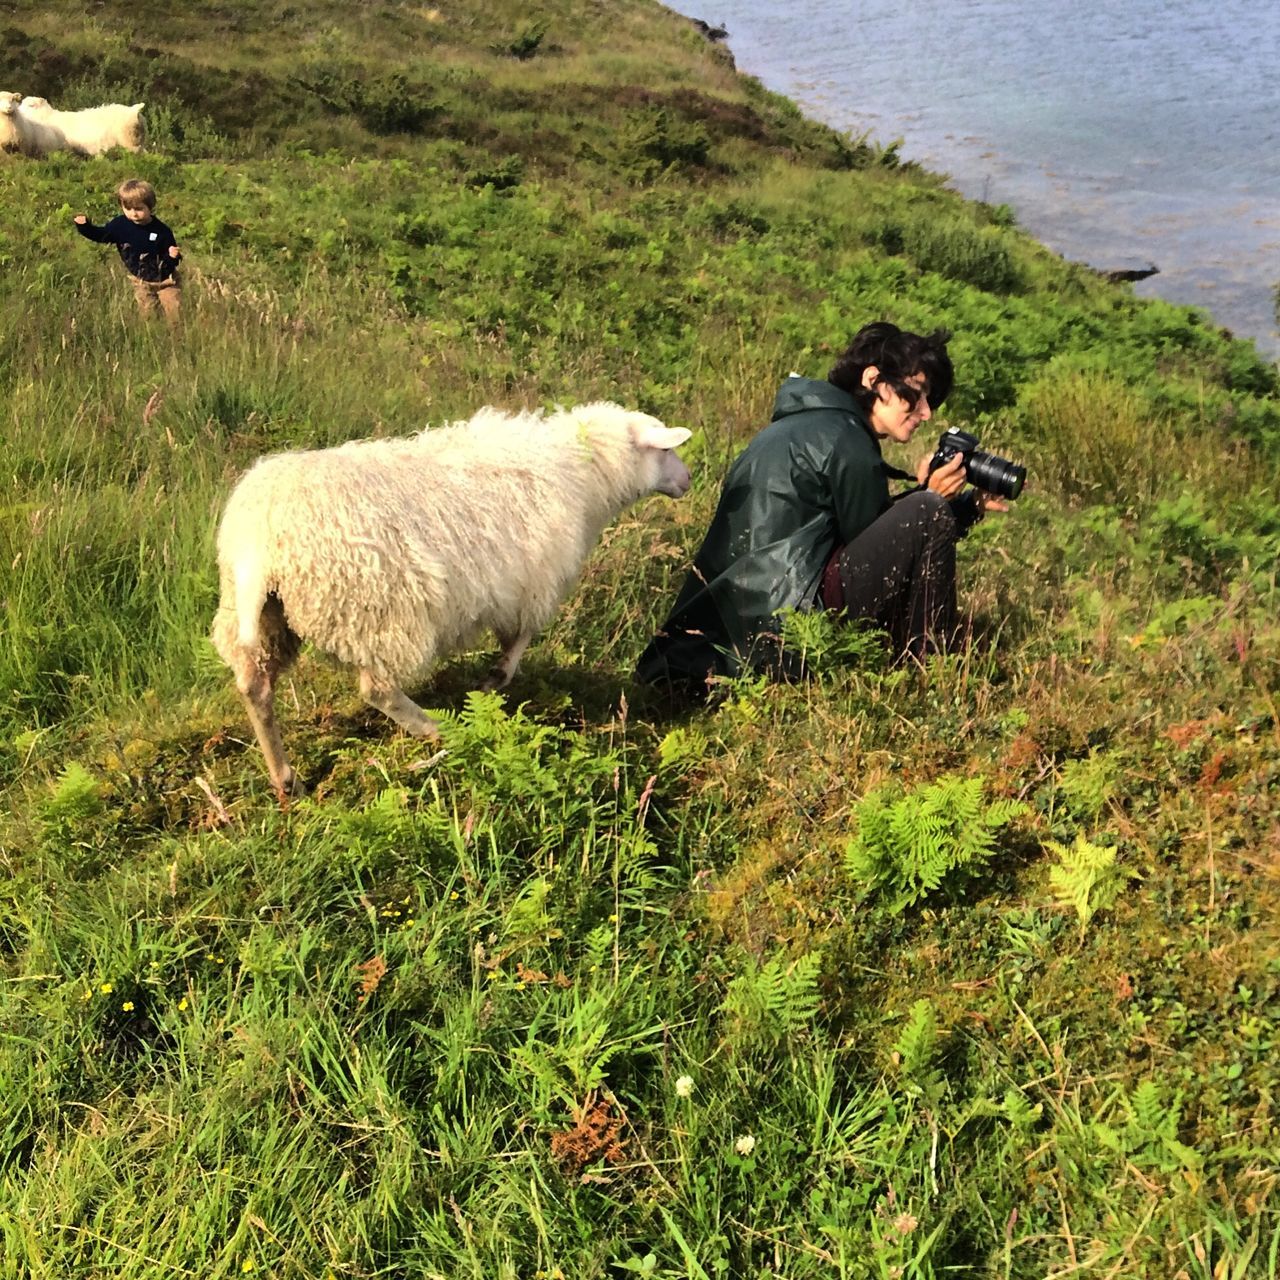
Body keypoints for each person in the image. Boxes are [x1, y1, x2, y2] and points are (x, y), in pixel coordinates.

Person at [634, 321, 1008, 698]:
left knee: (924, 509)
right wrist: (931, 498)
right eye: (918, 394)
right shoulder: (845, 439)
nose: (926, 413)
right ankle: (934, 676)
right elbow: (886, 555)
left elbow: (868, 542)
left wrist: (962, 508)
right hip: (783, 628)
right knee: (925, 511)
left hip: (735, 623)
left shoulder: (807, 424)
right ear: (873, 379)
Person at [73, 179, 182, 326]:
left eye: (139, 209)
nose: (134, 214)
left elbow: (172, 258)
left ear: (150, 207)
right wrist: (85, 226)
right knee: (148, 315)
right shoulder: (120, 225)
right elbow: (102, 235)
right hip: (141, 281)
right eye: (128, 208)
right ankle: (153, 338)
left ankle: (176, 339)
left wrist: (172, 256)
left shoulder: (161, 231)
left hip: (166, 280)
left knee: (174, 312)